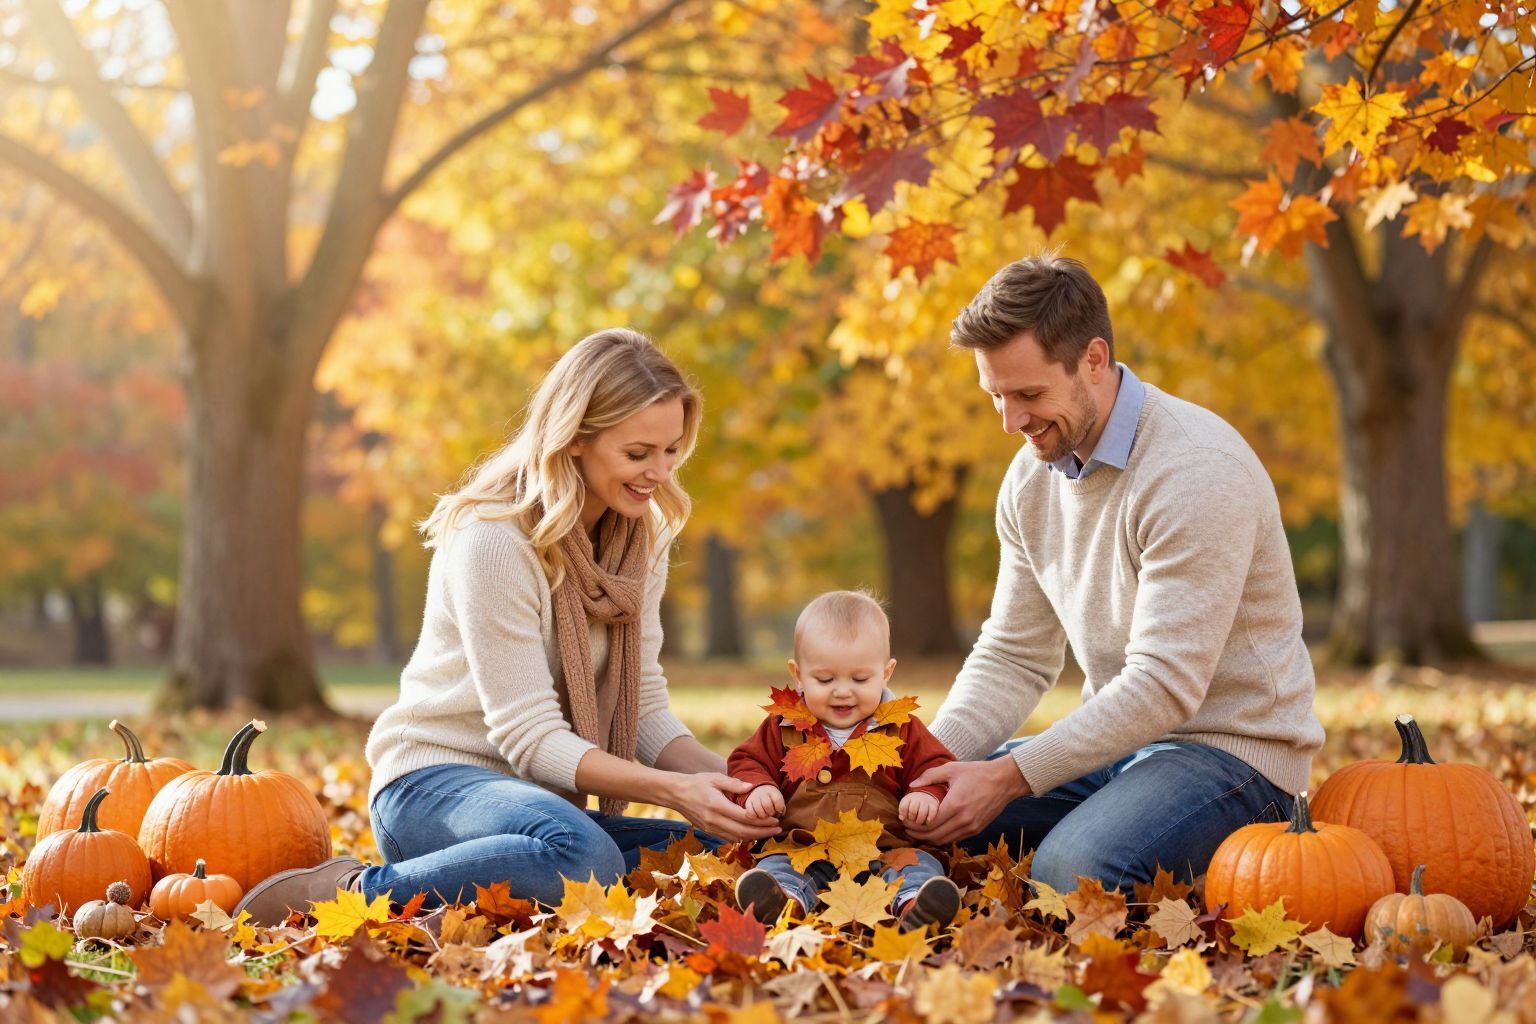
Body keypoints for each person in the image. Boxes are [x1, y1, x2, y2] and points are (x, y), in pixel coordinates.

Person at [237, 329, 780, 925]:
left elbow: (643, 706)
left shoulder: (637, 540)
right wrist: (672, 793)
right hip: (431, 789)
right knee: (583, 860)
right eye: (637, 454)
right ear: (575, 439)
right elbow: (529, 734)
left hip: (539, 811)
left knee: (729, 851)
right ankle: (349, 890)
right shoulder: (494, 538)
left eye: (671, 450)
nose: (659, 473)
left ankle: (536, 870)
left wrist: (743, 786)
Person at [906, 254, 1325, 895]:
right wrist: (928, 761)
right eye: (995, 396)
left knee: (1074, 873)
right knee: (919, 815)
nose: (1010, 423)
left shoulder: (1193, 470)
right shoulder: (1031, 476)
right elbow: (1014, 655)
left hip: (1233, 758)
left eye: (1028, 394)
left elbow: (1164, 685)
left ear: (1094, 360)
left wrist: (1011, 776)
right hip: (1116, 748)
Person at [727, 591, 962, 932]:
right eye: (825, 679)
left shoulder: (899, 726)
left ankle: (915, 905)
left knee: (918, 865)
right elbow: (746, 761)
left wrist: (926, 795)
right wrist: (758, 789)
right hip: (807, 849)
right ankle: (781, 903)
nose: (842, 691)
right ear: (798, 674)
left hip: (887, 850)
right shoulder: (785, 724)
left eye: (860, 679)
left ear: (887, 673)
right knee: (781, 866)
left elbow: (937, 768)